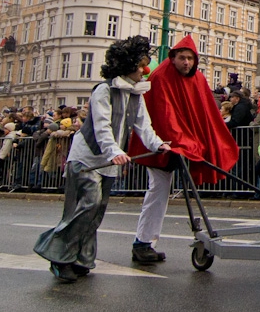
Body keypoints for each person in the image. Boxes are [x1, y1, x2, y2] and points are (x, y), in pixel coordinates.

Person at [34, 36, 171, 283]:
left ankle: (81, 258)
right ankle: (58, 256)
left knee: (96, 211)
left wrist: (158, 144)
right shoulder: (104, 90)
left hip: (109, 163)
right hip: (87, 159)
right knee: (85, 206)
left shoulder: (135, 96)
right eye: (141, 65)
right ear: (127, 64)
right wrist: (114, 152)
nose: (145, 70)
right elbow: (102, 127)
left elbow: (144, 126)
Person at [127, 36, 239, 264]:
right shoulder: (160, 76)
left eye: (190, 58)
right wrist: (183, 143)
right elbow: (165, 115)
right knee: (158, 190)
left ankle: (144, 242)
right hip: (160, 145)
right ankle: (142, 243)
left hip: (182, 144)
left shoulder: (197, 78)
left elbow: (205, 112)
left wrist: (203, 142)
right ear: (173, 58)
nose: (186, 63)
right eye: (182, 58)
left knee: (160, 191)